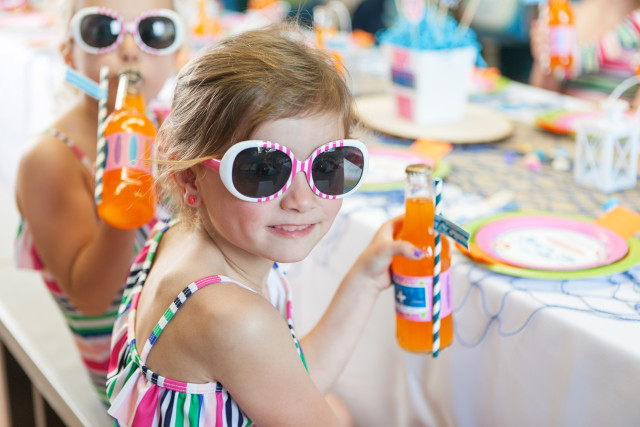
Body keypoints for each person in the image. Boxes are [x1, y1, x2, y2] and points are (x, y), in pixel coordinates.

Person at [106, 24, 423, 426]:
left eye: (328, 166)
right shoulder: (231, 317)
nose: (302, 199)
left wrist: (365, 278)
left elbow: (282, 381)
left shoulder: (177, 235)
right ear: (189, 176)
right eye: (263, 169)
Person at [14, 0, 185, 404]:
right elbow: (89, 299)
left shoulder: (174, 127)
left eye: (153, 32)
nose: (128, 49)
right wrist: (124, 191)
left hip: (189, 330)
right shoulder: (52, 158)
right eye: (102, 31)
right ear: (69, 52)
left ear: (177, 54)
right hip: (134, 379)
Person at [529, 0, 640, 106]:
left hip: (612, 122)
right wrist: (542, 59)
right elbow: (541, 96)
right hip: (561, 120)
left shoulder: (635, 26)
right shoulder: (565, 14)